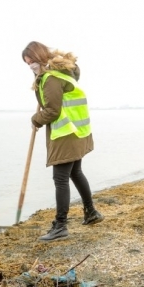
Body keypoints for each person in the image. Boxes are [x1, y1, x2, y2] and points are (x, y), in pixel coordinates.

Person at [22, 41, 104, 241]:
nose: (30, 66)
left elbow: (52, 110)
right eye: (27, 63)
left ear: (40, 57)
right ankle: (91, 212)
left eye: (32, 61)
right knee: (75, 172)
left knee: (60, 179)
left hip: (65, 134)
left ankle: (60, 226)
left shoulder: (50, 78)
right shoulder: (60, 74)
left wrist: (36, 119)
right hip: (77, 131)